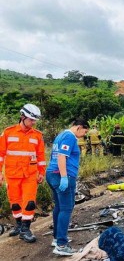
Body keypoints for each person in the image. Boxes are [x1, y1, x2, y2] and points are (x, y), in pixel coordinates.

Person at [0, 104, 46, 243]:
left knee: (29, 202)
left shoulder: (37, 135)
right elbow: (0, 154)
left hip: (30, 175)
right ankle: (19, 226)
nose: (33, 123)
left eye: (34, 120)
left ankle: (25, 230)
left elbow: (41, 156)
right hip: (12, 174)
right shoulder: (8, 133)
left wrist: (41, 172)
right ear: (23, 117)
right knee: (15, 202)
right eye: (31, 120)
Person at [46, 118, 90, 256]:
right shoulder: (70, 137)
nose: (84, 134)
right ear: (79, 127)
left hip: (52, 174)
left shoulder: (61, 135)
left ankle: (57, 238)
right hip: (61, 175)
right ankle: (62, 245)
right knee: (66, 208)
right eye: (85, 131)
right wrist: (64, 177)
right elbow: (61, 156)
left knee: (59, 207)